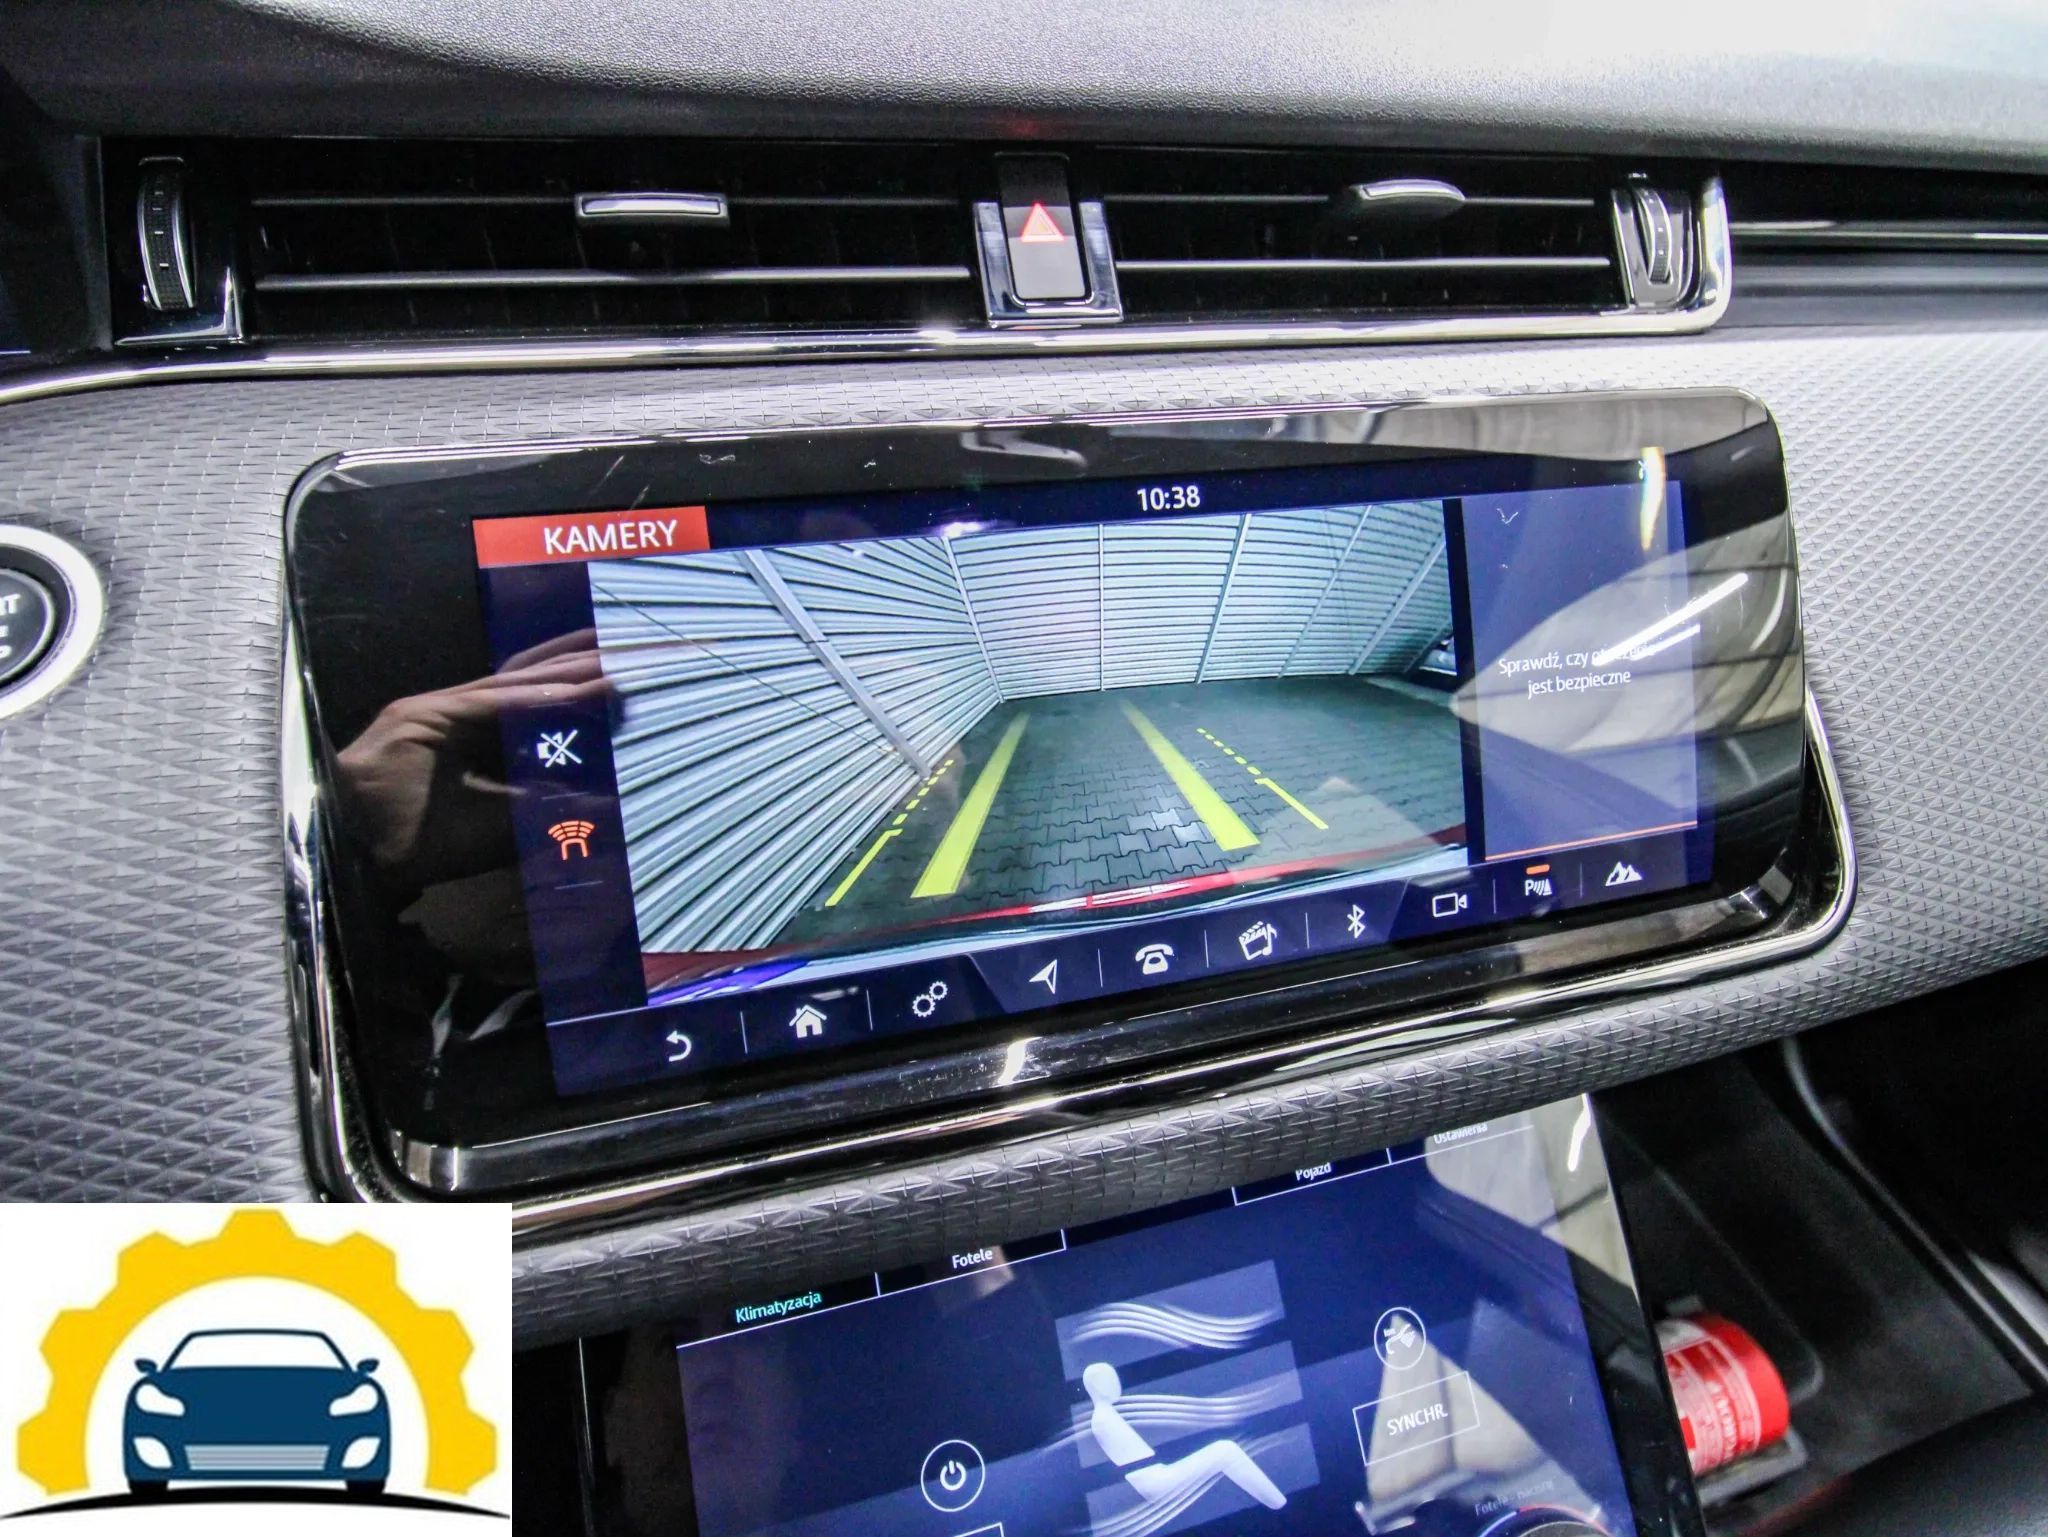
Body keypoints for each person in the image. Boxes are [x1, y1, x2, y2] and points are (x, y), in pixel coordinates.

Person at [1082, 1362, 1287, 1511]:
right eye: (1109, 1379)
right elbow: (1138, 1460)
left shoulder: (1106, 1415)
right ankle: (1279, 1504)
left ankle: (1276, 1503)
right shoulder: (1103, 1418)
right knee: (1226, 1450)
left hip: (1151, 1478)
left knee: (1223, 1451)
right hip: (1155, 1482)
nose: (1116, 1383)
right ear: (1097, 1385)